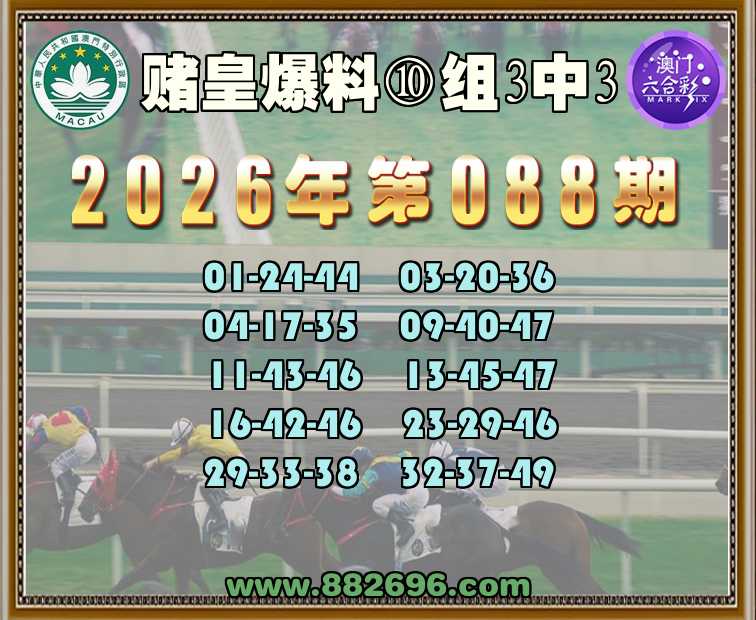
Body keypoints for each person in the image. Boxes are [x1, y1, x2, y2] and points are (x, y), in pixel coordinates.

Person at [144, 418, 244, 544]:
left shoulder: (195, 441)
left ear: (186, 437)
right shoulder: (202, 429)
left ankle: (221, 520)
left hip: (233, 465)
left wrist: (154, 462)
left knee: (205, 489)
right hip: (234, 461)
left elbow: (175, 454)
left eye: (182, 442)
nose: (182, 445)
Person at [337, 446, 429, 547]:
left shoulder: (372, 472)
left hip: (413, 498)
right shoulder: (390, 458)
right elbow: (407, 453)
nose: (358, 471)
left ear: (364, 463)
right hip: (424, 492)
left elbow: (355, 492)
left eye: (357, 468)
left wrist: (333, 489)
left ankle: (405, 527)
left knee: (377, 505)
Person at [27, 407, 98, 535]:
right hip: (90, 441)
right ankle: (72, 480)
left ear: (36, 426)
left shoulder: (44, 431)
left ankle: (67, 494)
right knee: (64, 464)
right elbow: (82, 410)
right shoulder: (62, 413)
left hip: (82, 446)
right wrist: (89, 425)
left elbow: (29, 449)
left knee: (56, 465)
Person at [428, 439, 508, 498]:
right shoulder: (460, 451)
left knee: (460, 490)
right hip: (498, 474)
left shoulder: (453, 458)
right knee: (464, 489)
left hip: (495, 478)